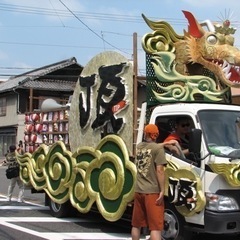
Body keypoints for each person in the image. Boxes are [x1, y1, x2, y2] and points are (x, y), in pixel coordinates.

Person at [131, 124, 167, 240]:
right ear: (156, 135)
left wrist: (165, 144)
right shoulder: (158, 150)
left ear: (145, 134)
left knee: (136, 225)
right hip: (152, 191)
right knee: (155, 227)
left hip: (138, 190)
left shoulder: (140, 146)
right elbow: (160, 170)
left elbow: (152, 147)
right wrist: (162, 190)